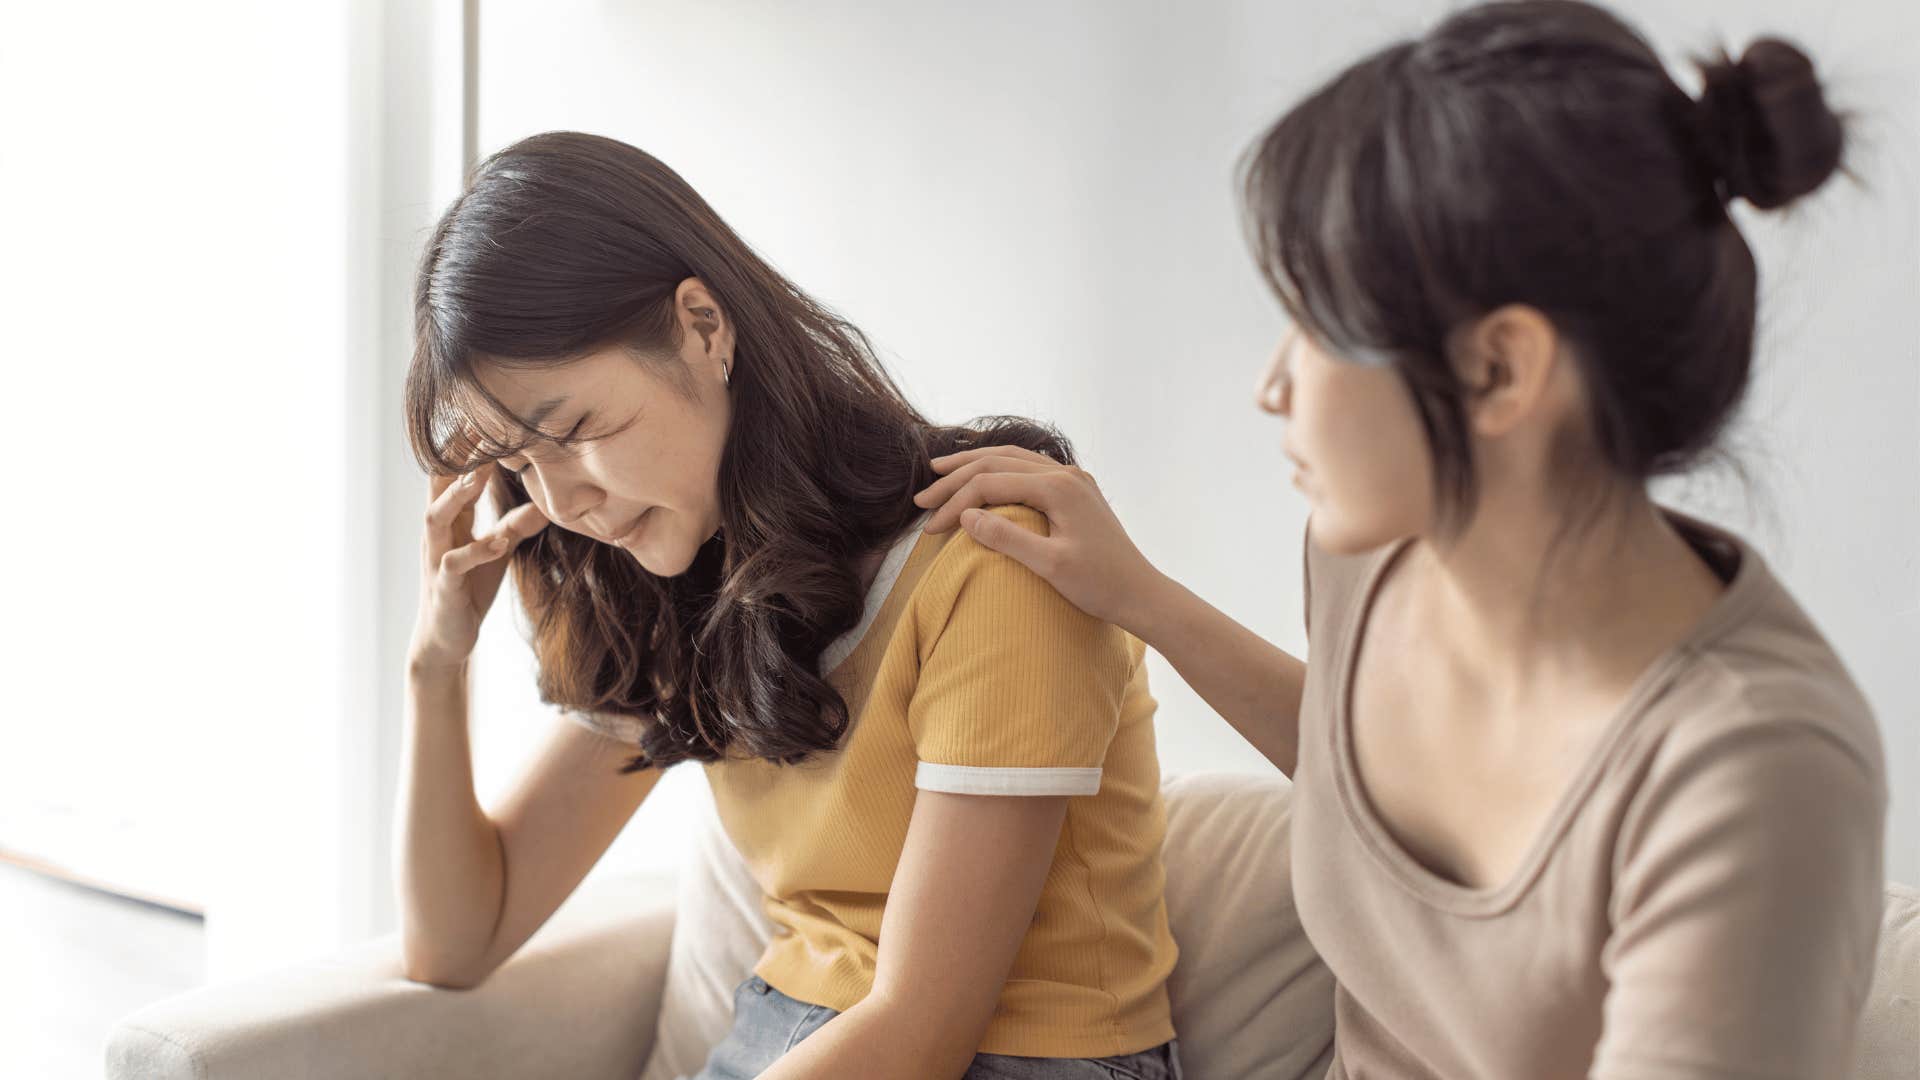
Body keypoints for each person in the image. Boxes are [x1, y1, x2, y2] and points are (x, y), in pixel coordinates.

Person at [913, 2, 1888, 1075]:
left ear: (1499, 369)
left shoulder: (1757, 772)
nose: (1272, 384)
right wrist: (1137, 594)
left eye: (1317, 325)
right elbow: (1367, 776)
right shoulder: (1368, 554)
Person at [396, 131, 1182, 1080]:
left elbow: (922, 1031)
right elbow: (457, 940)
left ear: (703, 327)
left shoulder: (990, 549)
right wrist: (435, 664)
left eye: (573, 432)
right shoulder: (680, 585)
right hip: (785, 1040)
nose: (562, 504)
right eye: (519, 464)